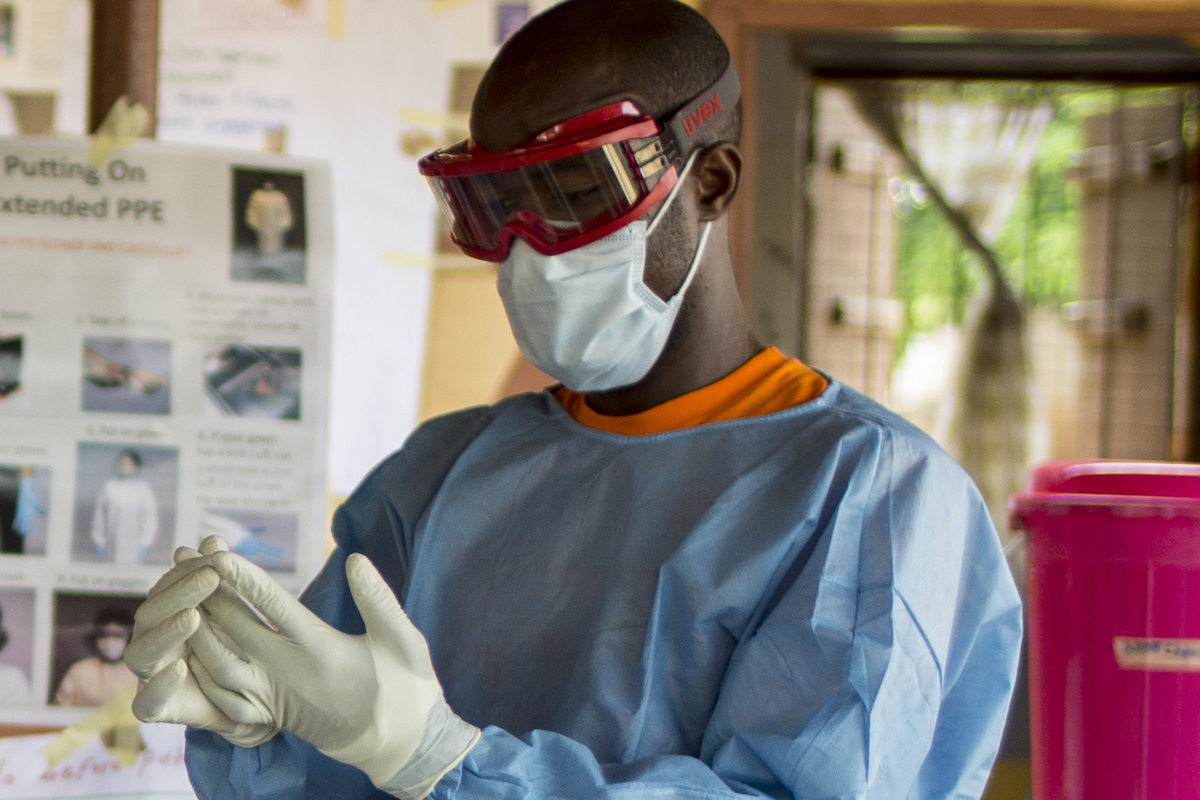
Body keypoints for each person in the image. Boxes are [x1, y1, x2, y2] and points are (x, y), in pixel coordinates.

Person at [125, 1, 1022, 799]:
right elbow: (326, 771)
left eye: (573, 193)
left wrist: (443, 760)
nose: (529, 249)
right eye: (495, 206)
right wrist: (256, 729)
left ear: (709, 183)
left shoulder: (872, 497)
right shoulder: (438, 478)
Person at [54, 607, 138, 707]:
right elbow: (60, 708)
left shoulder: (139, 674)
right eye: (105, 635)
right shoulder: (79, 670)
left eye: (117, 635)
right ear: (96, 638)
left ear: (129, 639)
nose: (110, 641)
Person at [91, 449, 159, 565]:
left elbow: (150, 519)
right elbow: (100, 516)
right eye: (123, 463)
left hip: (134, 546)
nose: (126, 466)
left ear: (135, 465)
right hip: (111, 545)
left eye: (129, 463)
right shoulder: (109, 487)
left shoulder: (143, 489)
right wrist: (100, 541)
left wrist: (145, 543)